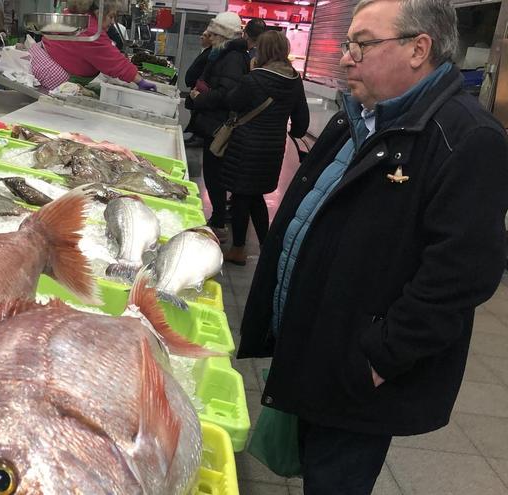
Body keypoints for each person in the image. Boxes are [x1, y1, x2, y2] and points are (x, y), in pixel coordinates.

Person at [237, 0, 508, 493]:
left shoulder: (467, 139)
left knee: (334, 480)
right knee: (310, 463)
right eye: (346, 44)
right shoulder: (356, 120)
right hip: (318, 347)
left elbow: (462, 274)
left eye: (362, 44)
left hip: (360, 371)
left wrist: (381, 359)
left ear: (418, 49)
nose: (346, 57)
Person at [219, 31, 309, 265]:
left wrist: (249, 73)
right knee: (255, 194)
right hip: (272, 148)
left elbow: (233, 102)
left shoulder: (254, 78)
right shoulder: (294, 80)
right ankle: (266, 246)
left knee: (241, 196)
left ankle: (238, 249)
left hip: (246, 146)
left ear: (263, 50)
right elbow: (302, 122)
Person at [187, 11, 247, 241]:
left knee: (215, 175)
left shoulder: (231, 58)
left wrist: (200, 97)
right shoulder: (223, 54)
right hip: (212, 122)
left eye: (214, 31)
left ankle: (219, 223)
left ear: (222, 34)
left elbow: (226, 94)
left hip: (218, 125)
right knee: (212, 174)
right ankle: (218, 220)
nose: (209, 35)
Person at [29, 0, 156, 92]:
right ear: (98, 12)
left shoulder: (78, 18)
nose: (112, 22)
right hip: (51, 75)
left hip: (41, 62)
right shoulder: (90, 30)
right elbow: (114, 62)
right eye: (111, 16)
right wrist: (140, 81)